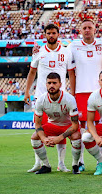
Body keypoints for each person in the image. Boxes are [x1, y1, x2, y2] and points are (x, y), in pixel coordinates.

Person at [25, 24, 75, 173]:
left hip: (61, 98)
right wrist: (27, 91)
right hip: (41, 97)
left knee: (61, 129)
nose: (51, 35)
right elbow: (32, 72)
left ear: (58, 34)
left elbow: (71, 73)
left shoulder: (66, 51)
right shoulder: (39, 52)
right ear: (45, 35)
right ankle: (39, 163)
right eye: (48, 33)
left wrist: (72, 92)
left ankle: (61, 163)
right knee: (39, 130)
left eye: (53, 33)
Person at [67, 19, 102, 172]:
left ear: (94, 29)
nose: (87, 30)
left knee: (100, 128)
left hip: (100, 93)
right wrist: (72, 92)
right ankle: (81, 162)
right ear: (81, 30)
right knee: (83, 129)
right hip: (81, 92)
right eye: (84, 28)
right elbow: (70, 70)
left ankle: (101, 161)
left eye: (89, 27)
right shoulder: (73, 46)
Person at [30, 72, 81, 174]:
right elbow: (38, 124)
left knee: (77, 137)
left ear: (60, 84)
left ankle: (75, 165)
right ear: (46, 85)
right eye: (49, 83)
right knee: (35, 137)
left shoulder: (69, 99)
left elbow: (75, 125)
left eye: (54, 83)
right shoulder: (41, 100)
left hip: (69, 126)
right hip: (53, 125)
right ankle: (46, 165)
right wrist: (44, 138)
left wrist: (59, 138)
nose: (51, 85)